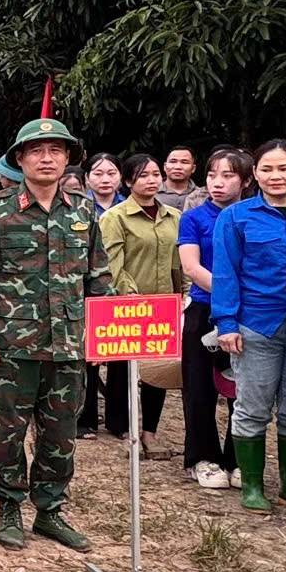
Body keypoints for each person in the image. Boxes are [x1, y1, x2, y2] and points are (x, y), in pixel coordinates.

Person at [0, 119, 109, 550]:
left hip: (68, 343)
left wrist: (101, 337)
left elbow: (98, 278)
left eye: (55, 151)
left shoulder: (83, 212)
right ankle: (9, 506)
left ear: (67, 159)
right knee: (8, 427)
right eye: (36, 151)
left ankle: (50, 510)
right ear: (21, 160)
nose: (46, 159)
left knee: (60, 431)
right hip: (12, 342)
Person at [212, 140, 286, 513]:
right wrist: (227, 323)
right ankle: (252, 484)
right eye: (267, 169)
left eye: (284, 168)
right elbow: (226, 272)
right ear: (255, 175)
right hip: (255, 324)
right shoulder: (236, 217)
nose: (275, 176)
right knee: (252, 406)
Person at [94, 154, 181, 450]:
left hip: (165, 302)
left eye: (156, 174)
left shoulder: (173, 216)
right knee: (123, 365)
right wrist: (129, 294)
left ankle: (150, 430)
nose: (152, 180)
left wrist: (183, 293)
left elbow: (178, 260)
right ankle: (120, 423)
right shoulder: (115, 217)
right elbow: (112, 263)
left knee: (160, 368)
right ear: (129, 181)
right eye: (143, 175)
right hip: (128, 302)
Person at [178, 148, 250, 489]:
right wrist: (227, 296)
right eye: (212, 175)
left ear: (247, 180)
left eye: (228, 175)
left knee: (244, 388)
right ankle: (201, 458)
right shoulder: (193, 218)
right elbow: (192, 267)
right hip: (204, 308)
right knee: (199, 388)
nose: (217, 183)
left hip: (250, 312)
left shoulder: (253, 216)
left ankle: (239, 458)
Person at [160, 146, 206, 214]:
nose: (178, 167)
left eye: (184, 162)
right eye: (173, 161)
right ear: (165, 166)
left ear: (193, 168)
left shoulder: (201, 195)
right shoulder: (152, 193)